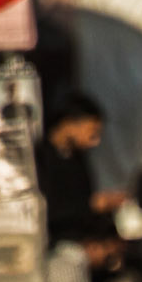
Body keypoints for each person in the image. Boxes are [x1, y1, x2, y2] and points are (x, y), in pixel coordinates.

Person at [35, 90, 123, 244]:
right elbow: (46, 208)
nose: (95, 141)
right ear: (70, 124)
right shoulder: (41, 158)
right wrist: (89, 206)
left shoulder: (78, 159)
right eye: (92, 133)